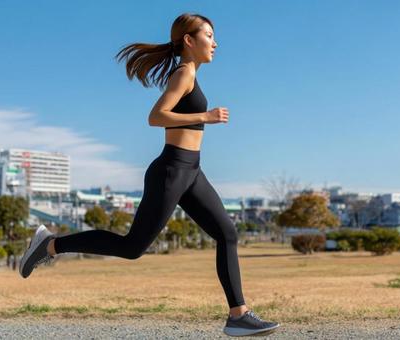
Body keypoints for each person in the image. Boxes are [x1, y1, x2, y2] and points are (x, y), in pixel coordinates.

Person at [18, 13, 280, 337]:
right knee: (132, 247)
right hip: (172, 170)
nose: (215, 42)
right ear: (189, 40)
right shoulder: (184, 73)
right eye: (209, 35)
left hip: (191, 171)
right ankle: (50, 245)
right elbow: (155, 117)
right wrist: (206, 116)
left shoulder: (191, 74)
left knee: (227, 233)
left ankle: (238, 315)